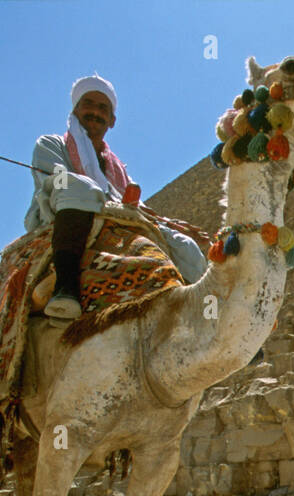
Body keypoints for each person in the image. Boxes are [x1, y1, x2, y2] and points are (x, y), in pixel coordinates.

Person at [24, 74, 206, 320]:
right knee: (79, 186)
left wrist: (170, 224)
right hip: (64, 214)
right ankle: (65, 288)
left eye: (103, 108)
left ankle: (211, 317)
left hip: (117, 221)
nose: (95, 112)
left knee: (185, 244)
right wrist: (100, 195)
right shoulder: (50, 144)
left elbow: (138, 208)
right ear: (76, 109)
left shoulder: (117, 167)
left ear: (112, 120)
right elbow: (55, 182)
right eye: (88, 104)